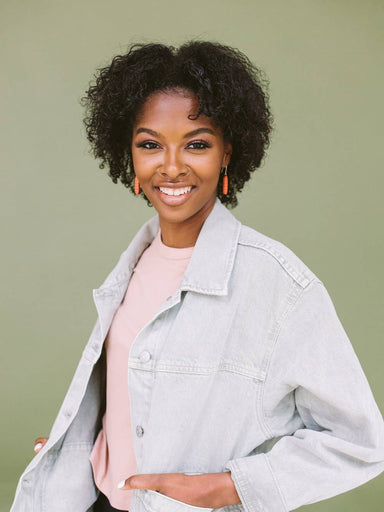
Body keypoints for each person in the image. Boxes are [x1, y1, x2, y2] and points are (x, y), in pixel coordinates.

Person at [10, 40, 384, 512]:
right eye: (150, 145)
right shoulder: (137, 261)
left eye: (197, 144)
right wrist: (81, 448)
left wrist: (228, 486)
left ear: (227, 152)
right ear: (130, 157)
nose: (170, 166)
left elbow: (360, 441)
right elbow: (135, 395)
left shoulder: (280, 284)